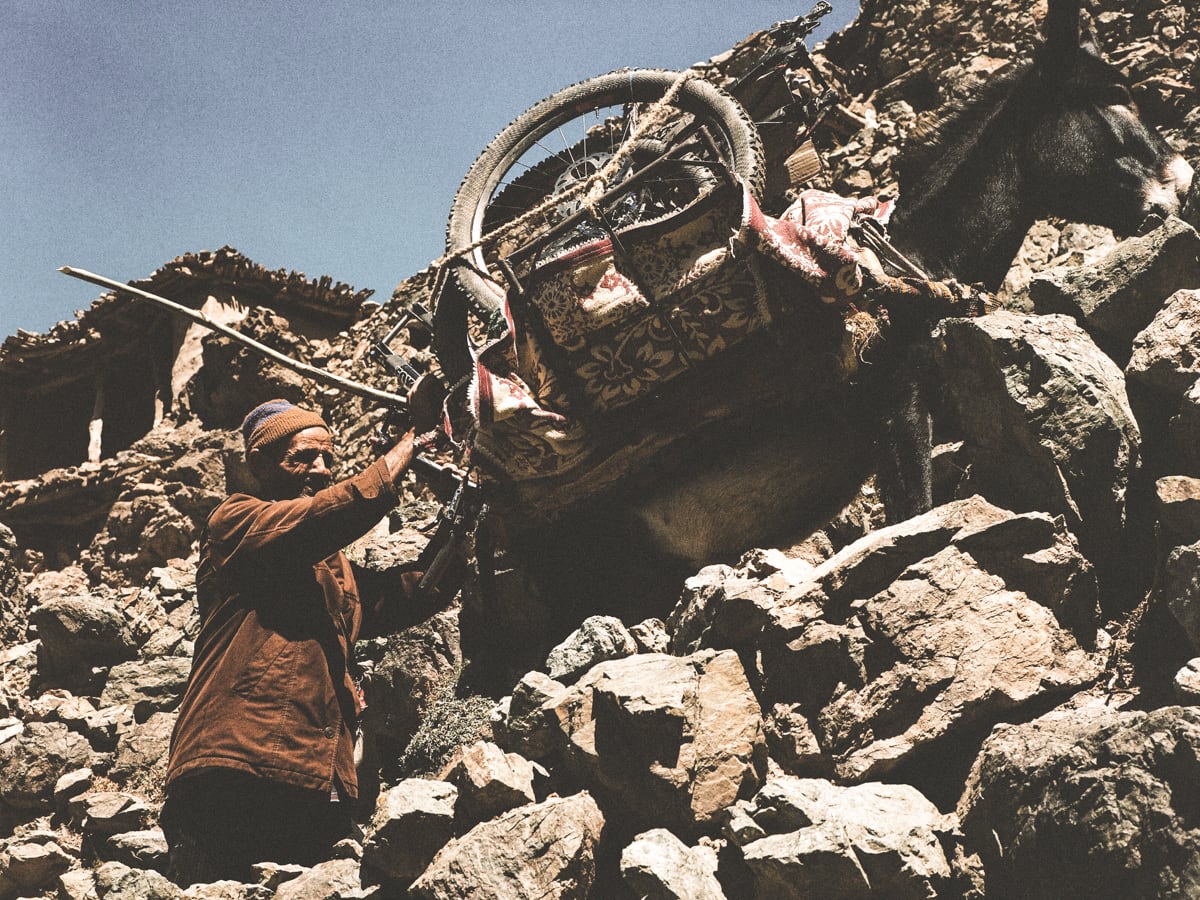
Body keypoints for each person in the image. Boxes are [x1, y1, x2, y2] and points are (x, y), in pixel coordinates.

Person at [160, 395, 454, 886]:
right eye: (303, 457)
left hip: (317, 776)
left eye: (327, 458)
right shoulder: (236, 521)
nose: (321, 469)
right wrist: (413, 442)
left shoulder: (334, 568)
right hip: (236, 761)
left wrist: (463, 528)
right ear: (260, 463)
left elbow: (409, 594)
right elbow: (326, 515)